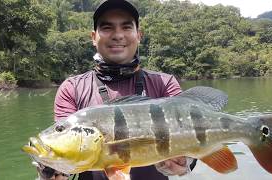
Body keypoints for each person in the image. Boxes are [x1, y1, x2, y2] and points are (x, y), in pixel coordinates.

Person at [36, 0, 196, 179]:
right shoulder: (72, 89)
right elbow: (67, 145)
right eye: (107, 27)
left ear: (139, 35)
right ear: (93, 37)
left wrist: (184, 163)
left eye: (126, 27)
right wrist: (51, 169)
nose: (118, 35)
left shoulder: (165, 84)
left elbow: (194, 138)